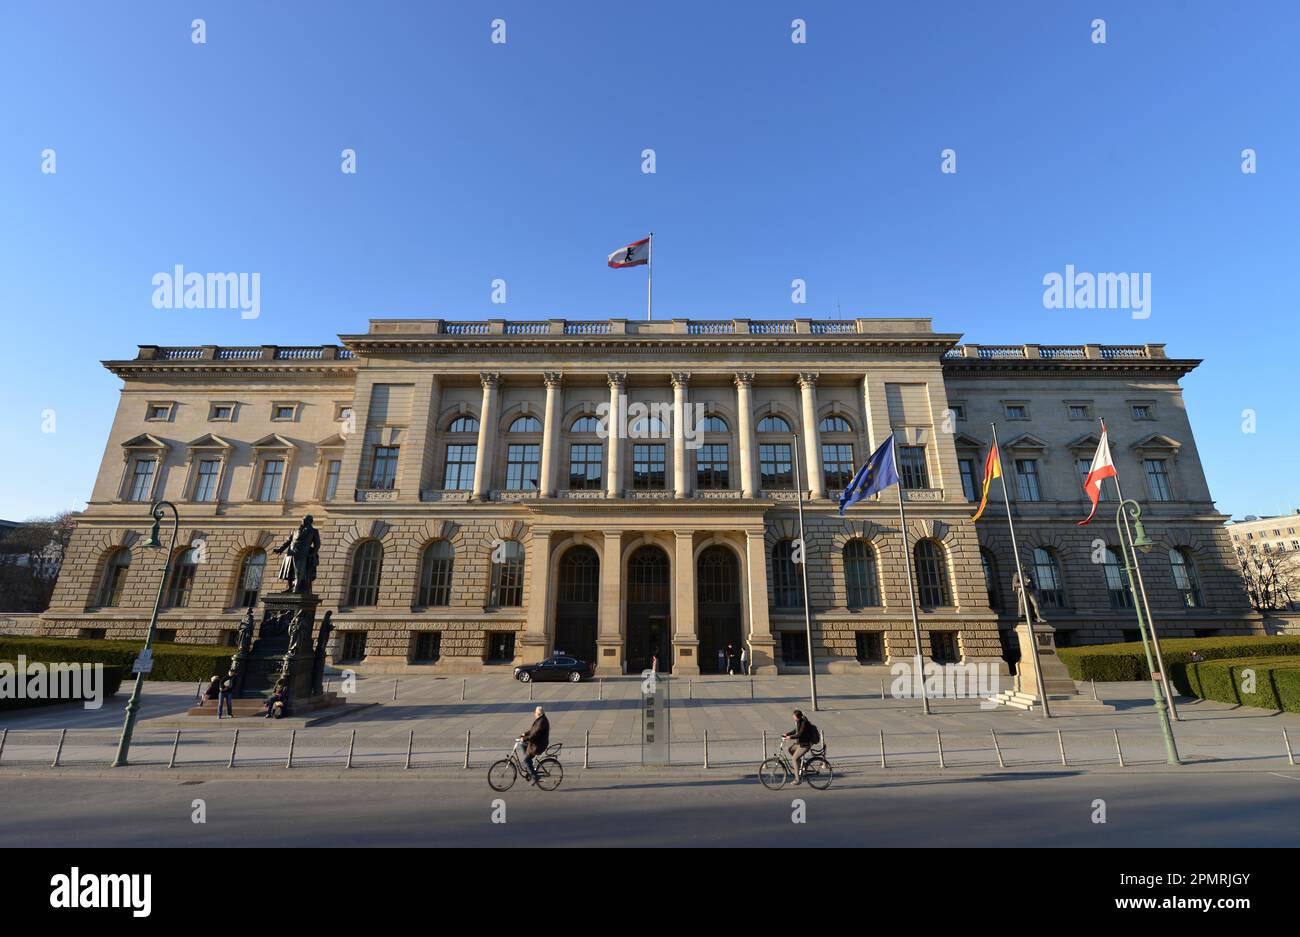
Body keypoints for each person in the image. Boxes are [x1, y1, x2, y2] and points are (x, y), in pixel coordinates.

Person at [781, 709, 820, 785]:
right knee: (790, 749)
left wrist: (790, 737)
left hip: (805, 744)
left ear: (797, 717)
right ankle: (801, 765)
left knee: (794, 759)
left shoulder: (804, 723)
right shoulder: (799, 721)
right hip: (800, 743)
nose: (792, 716)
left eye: (793, 715)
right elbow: (795, 730)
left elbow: (799, 734)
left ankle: (797, 779)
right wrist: (787, 734)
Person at [516, 705, 549, 784]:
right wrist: (524, 734)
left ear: (538, 713)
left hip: (538, 745)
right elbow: (532, 731)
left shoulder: (541, 722)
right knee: (523, 744)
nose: (534, 713)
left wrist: (525, 738)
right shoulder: (540, 719)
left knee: (525, 760)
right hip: (536, 742)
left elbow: (534, 734)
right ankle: (529, 765)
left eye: (535, 712)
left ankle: (535, 777)